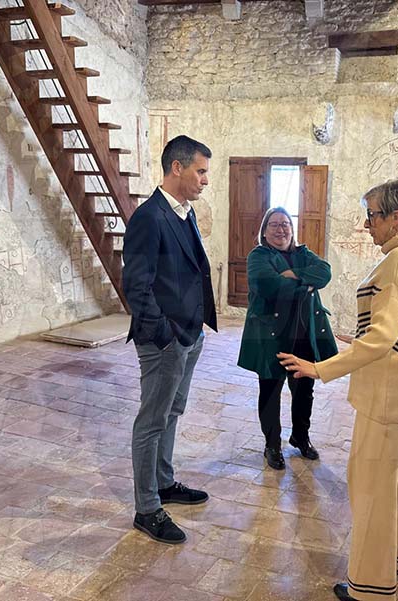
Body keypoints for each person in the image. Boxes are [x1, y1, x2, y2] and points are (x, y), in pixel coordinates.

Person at [278, 180, 398, 601]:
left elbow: (382, 338)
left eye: (372, 215)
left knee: (372, 491)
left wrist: (320, 368)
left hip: (389, 396)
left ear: (395, 217)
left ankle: (371, 587)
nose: (366, 224)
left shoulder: (396, 263)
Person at [122, 135, 217, 545]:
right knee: (151, 421)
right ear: (177, 168)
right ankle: (147, 508)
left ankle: (163, 482)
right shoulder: (150, 217)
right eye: (201, 171)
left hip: (189, 334)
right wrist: (164, 336)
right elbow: (136, 286)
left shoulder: (183, 212)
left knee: (172, 411)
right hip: (165, 340)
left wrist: (194, 330)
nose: (205, 180)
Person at [238, 207, 337, 470]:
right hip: (272, 334)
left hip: (303, 333)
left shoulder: (303, 253)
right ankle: (272, 444)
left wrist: (293, 275)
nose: (280, 229)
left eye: (285, 224)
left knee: (304, 390)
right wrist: (306, 283)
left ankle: (300, 437)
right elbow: (267, 284)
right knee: (270, 390)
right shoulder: (258, 256)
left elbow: (325, 272)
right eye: (274, 224)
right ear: (264, 231)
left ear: (292, 229)